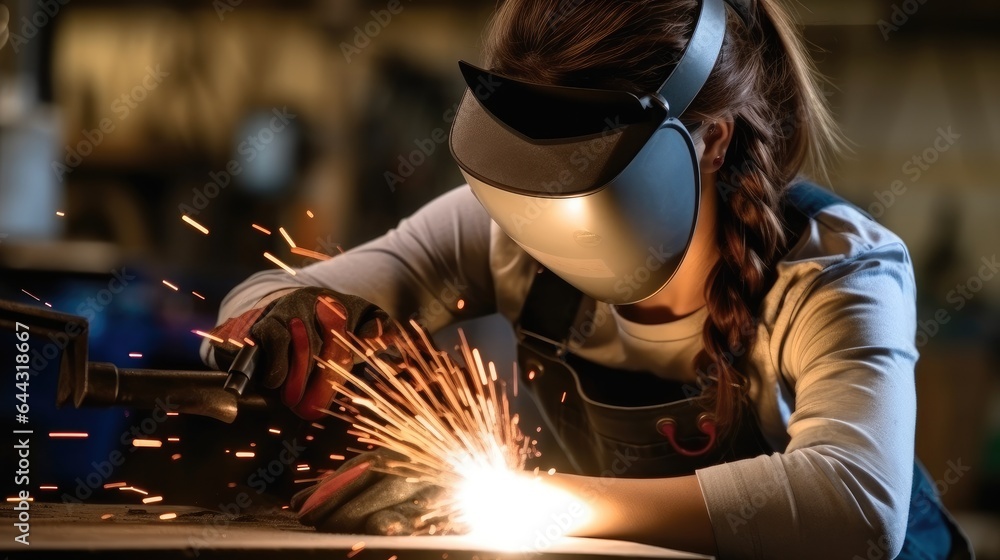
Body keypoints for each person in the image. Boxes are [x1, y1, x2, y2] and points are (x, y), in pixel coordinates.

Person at [202, 0, 973, 558]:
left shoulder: (836, 269)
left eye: (580, 185)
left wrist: (532, 504)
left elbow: (855, 508)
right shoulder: (502, 228)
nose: (541, 221)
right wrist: (282, 322)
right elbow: (271, 294)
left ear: (709, 143)